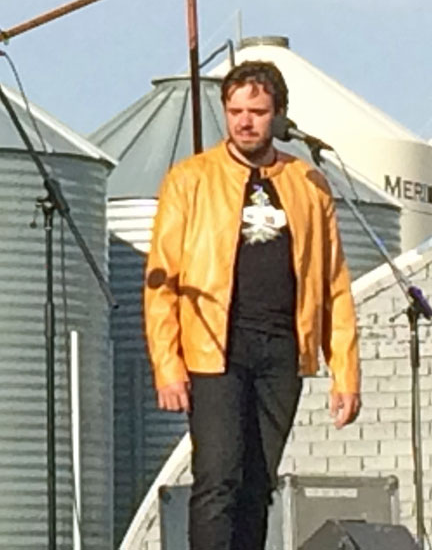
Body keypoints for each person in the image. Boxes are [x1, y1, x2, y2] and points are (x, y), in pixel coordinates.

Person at [143, 60, 361, 550]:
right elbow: (162, 281)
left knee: (258, 485)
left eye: (257, 111)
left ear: (278, 115)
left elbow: (333, 285)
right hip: (215, 346)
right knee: (218, 476)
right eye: (235, 110)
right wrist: (167, 364)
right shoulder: (190, 179)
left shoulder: (308, 183)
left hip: (281, 349)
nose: (245, 121)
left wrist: (345, 372)